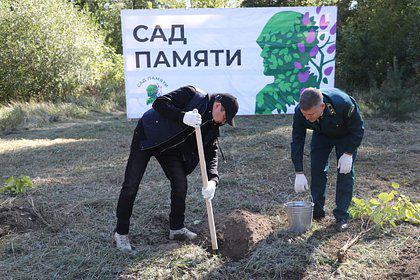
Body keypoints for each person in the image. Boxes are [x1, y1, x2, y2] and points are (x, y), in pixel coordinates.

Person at [113, 85, 239, 252]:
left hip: (170, 150)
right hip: (147, 136)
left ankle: (176, 228)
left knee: (180, 184)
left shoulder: (213, 126)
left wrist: (213, 181)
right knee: (131, 185)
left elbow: (212, 154)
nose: (224, 122)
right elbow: (159, 104)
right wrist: (183, 117)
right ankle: (120, 233)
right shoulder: (192, 94)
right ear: (217, 106)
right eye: (225, 117)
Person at [291, 87, 364, 231]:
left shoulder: (343, 104)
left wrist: (349, 153)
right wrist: (298, 171)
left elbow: (358, 129)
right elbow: (297, 140)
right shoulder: (300, 111)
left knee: (345, 173)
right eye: (305, 115)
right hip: (321, 134)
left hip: (345, 135)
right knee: (317, 169)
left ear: (322, 106)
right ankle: (317, 211)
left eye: (311, 114)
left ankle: (342, 216)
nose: (307, 118)